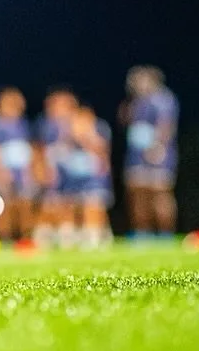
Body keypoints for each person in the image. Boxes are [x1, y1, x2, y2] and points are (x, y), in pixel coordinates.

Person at [121, 65, 179, 239]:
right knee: (138, 194)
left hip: (158, 153)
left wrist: (158, 146)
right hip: (136, 156)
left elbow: (166, 125)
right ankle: (142, 233)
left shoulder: (163, 99)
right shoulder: (136, 102)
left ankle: (165, 233)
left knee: (160, 193)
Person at [0, 87, 36, 241]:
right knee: (3, 205)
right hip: (3, 170)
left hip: (23, 173)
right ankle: (4, 238)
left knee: (25, 203)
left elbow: (30, 147)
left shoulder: (23, 123)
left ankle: (25, 238)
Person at [33, 86, 79, 249]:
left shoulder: (77, 121)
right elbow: (39, 147)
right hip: (52, 167)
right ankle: (42, 236)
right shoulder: (45, 123)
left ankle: (67, 235)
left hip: (71, 169)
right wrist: (41, 168)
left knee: (69, 201)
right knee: (49, 203)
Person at [69, 103, 114, 249]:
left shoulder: (99, 129)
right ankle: (95, 235)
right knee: (80, 206)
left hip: (95, 176)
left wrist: (84, 136)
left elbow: (102, 151)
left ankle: (96, 236)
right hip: (78, 178)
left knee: (94, 205)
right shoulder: (68, 132)